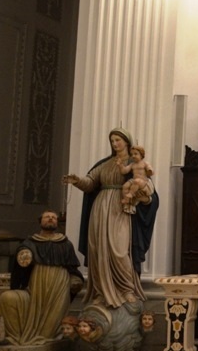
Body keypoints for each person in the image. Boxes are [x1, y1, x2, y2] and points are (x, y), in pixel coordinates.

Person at [64, 127, 158, 310]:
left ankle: (126, 289)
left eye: (118, 140)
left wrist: (144, 198)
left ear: (127, 142)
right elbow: (90, 183)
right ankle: (101, 292)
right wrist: (77, 181)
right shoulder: (105, 164)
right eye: (112, 141)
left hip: (121, 209)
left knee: (119, 250)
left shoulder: (135, 163)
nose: (115, 144)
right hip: (100, 208)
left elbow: (148, 189)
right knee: (99, 249)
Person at [0, 210, 83, 346]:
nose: (51, 219)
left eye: (54, 217)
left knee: (50, 325)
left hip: (58, 290)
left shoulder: (65, 244)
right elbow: (20, 265)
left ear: (57, 222)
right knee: (7, 298)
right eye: (47, 217)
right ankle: (14, 338)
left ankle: (47, 339)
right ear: (40, 221)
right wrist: (23, 255)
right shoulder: (30, 243)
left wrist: (75, 279)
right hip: (34, 290)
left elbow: (72, 268)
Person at [118, 145, 153, 214]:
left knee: (137, 181)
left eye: (136, 154)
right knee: (125, 186)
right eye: (132, 154)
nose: (133, 156)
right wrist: (120, 165)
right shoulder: (132, 164)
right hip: (134, 180)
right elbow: (124, 171)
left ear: (141, 154)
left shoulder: (144, 163)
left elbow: (150, 169)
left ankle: (130, 194)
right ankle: (126, 199)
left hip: (143, 181)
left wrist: (150, 171)